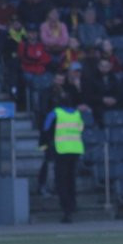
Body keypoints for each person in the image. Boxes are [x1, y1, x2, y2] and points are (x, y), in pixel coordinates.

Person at [42, 91, 85, 223]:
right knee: (71, 179)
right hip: (75, 149)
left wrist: (44, 145)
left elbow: (46, 127)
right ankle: (73, 204)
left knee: (61, 181)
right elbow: (81, 128)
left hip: (61, 150)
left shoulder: (55, 113)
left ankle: (67, 211)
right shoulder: (77, 113)